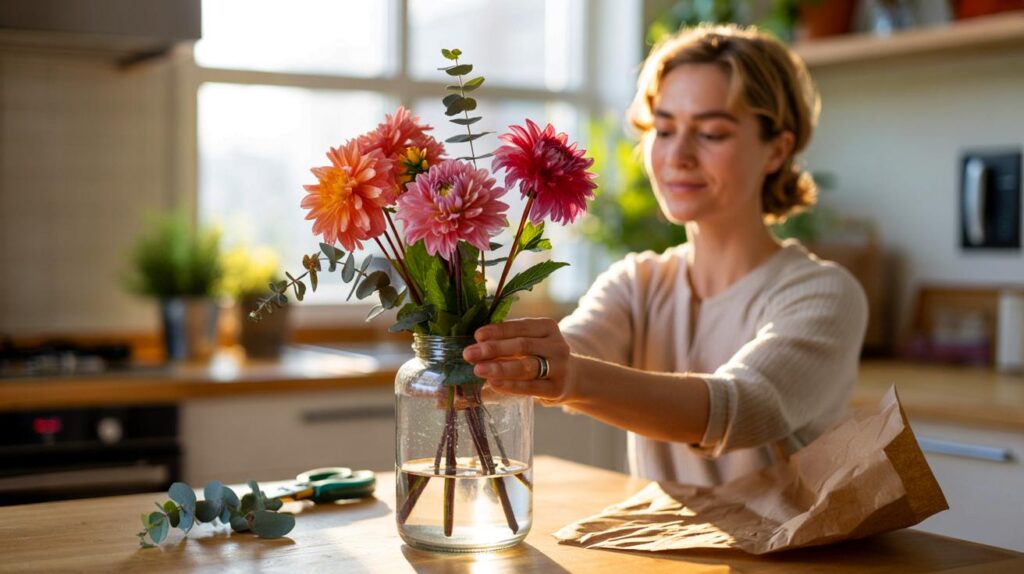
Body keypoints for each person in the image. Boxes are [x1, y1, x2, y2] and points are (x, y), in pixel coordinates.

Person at [462, 24, 868, 485]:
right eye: (665, 128)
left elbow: (739, 409)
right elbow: (572, 346)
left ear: (777, 149)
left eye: (712, 133)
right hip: (667, 553)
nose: (678, 155)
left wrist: (567, 376)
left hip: (788, 554)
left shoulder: (824, 294)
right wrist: (491, 362)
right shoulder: (638, 284)